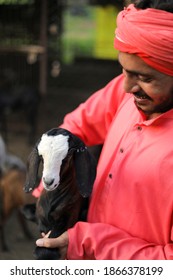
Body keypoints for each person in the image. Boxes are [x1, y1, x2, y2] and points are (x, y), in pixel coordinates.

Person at [35, 0, 173, 259]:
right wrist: (53, 177)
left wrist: (88, 243)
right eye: (124, 71)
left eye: (145, 78)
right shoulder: (129, 92)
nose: (126, 87)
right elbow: (77, 126)